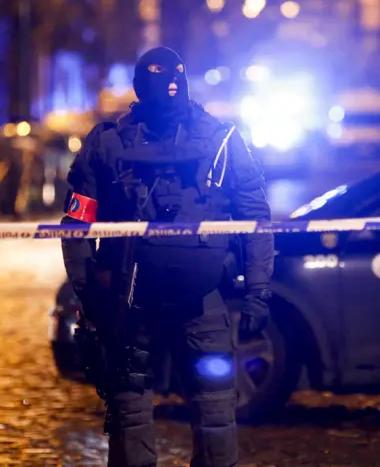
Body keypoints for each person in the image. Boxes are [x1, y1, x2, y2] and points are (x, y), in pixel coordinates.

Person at [60, 46, 274, 467]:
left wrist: (90, 293)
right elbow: (256, 219)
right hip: (153, 299)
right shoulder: (219, 140)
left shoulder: (216, 141)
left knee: (160, 405)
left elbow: (75, 225)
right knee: (158, 406)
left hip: (163, 299)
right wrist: (257, 291)